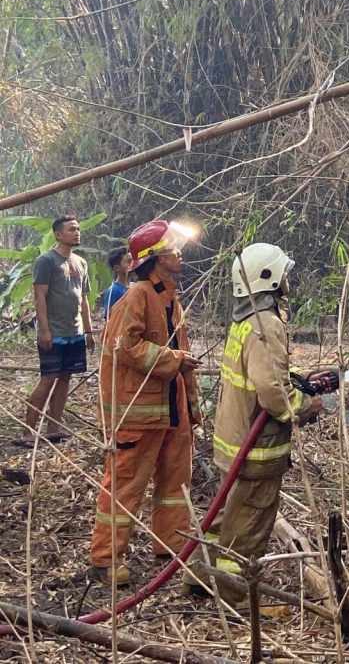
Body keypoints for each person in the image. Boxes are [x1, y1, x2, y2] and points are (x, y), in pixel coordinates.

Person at [184, 243, 323, 603]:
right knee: (249, 523)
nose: (288, 279)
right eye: (284, 273)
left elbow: (261, 373)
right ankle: (234, 596)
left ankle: (200, 576)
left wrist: (295, 379)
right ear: (270, 278)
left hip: (231, 440)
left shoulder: (245, 322)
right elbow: (272, 392)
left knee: (223, 515)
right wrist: (305, 405)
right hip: (256, 450)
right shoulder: (267, 325)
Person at [89, 220, 202, 586]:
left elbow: (177, 349)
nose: (179, 255)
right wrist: (175, 360)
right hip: (138, 414)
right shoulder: (137, 296)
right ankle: (106, 559)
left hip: (171, 410)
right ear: (156, 258)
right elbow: (128, 347)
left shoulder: (169, 296)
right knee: (125, 486)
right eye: (173, 250)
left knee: (175, 482)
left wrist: (192, 403)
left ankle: (171, 545)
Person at [22, 215, 94, 445]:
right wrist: (44, 330)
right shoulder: (46, 261)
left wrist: (89, 331)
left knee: (65, 378)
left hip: (75, 331)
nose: (77, 232)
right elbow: (39, 297)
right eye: (71, 229)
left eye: (78, 229)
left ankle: (54, 427)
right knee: (48, 378)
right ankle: (27, 430)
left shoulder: (81, 263)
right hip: (54, 332)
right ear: (58, 234)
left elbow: (83, 299)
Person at [97, 247, 132, 319]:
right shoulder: (113, 291)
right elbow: (109, 317)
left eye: (132, 261)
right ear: (117, 268)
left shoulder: (134, 286)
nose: (132, 264)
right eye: (128, 262)